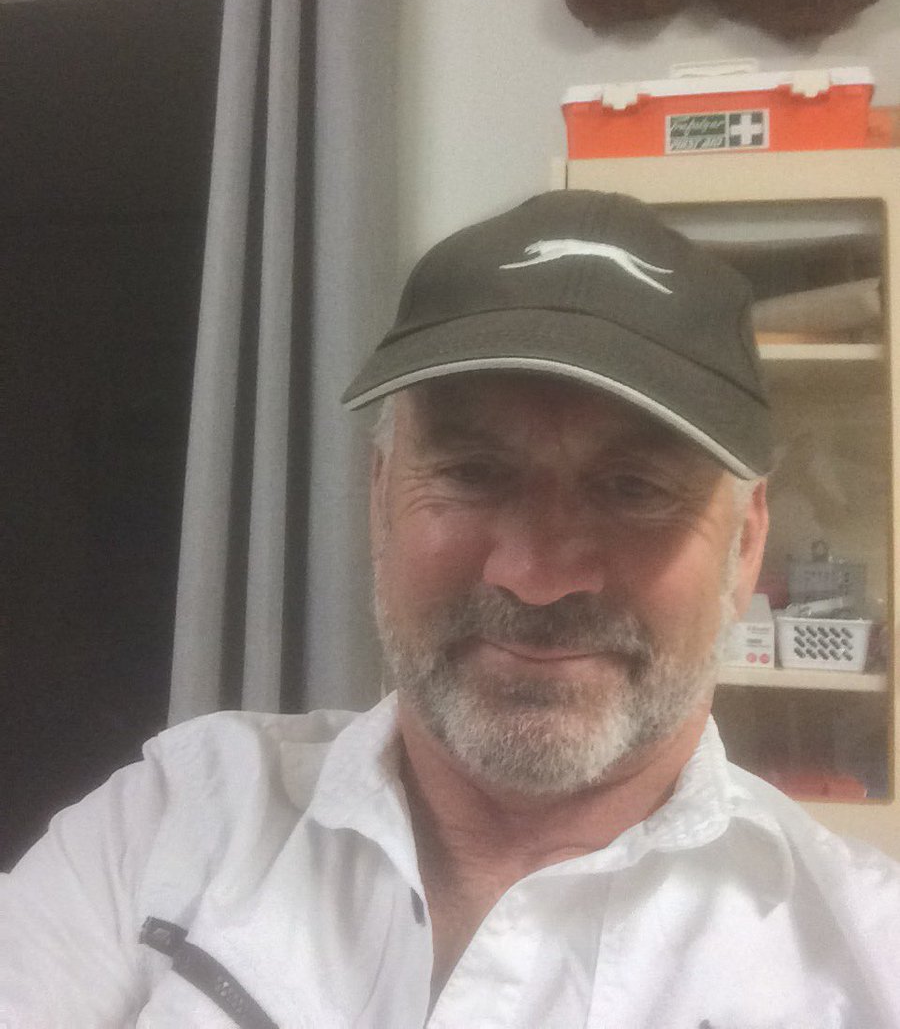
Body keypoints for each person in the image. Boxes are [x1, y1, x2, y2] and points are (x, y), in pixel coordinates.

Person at [2, 190, 899, 1028]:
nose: (537, 576)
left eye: (633, 488)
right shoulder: (168, 824)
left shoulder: (866, 962)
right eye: (472, 474)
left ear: (745, 546)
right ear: (380, 496)